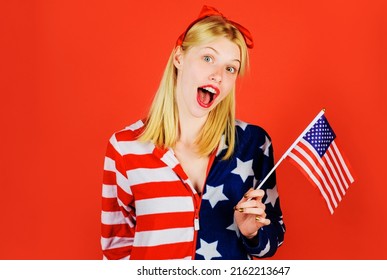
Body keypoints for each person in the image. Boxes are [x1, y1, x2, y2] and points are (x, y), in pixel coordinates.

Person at [101, 5, 285, 260]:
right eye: (208, 58)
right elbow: (115, 249)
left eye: (230, 68)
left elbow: (274, 239)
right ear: (179, 57)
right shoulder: (125, 147)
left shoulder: (254, 143)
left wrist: (252, 233)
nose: (218, 75)